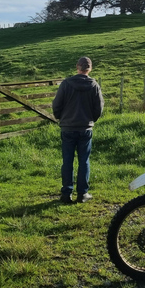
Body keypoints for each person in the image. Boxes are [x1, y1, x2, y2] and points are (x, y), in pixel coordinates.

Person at [52, 56, 104, 204]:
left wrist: (61, 117)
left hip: (67, 127)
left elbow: (56, 105)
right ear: (90, 68)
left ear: (77, 67)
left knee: (67, 160)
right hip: (85, 128)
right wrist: (91, 119)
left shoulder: (66, 84)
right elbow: (99, 108)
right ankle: (82, 194)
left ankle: (66, 193)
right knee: (84, 161)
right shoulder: (94, 85)